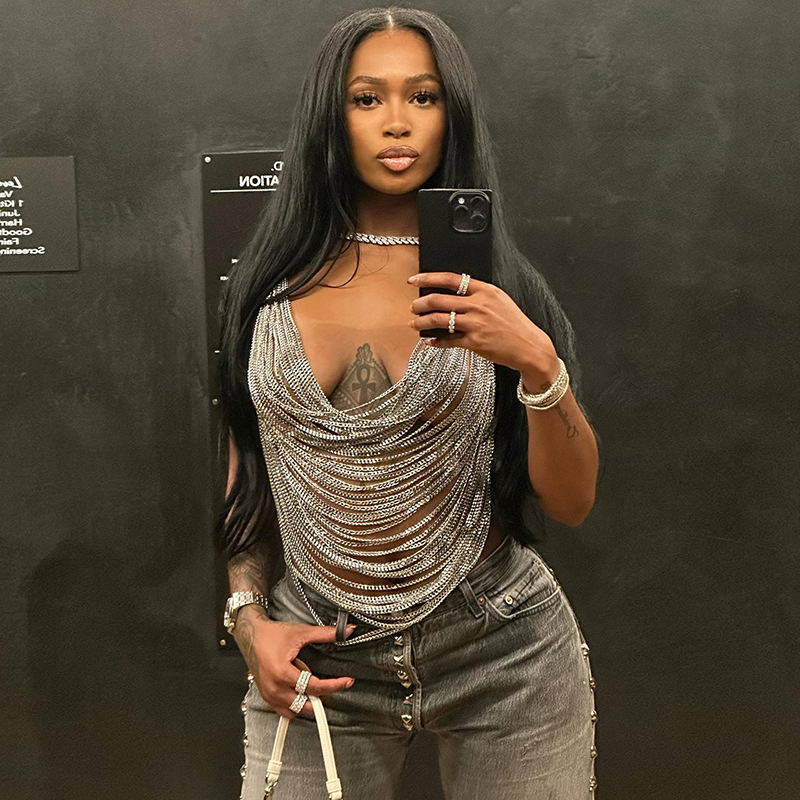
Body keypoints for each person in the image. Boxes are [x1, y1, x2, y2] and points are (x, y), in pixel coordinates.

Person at [216, 7, 601, 799]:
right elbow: (250, 466)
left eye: (423, 97)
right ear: (332, 116)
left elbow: (572, 502)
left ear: (451, 112)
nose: (397, 122)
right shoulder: (265, 290)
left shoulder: (503, 290)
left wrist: (536, 359)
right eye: (367, 99)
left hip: (499, 645)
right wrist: (248, 617)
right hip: (321, 649)